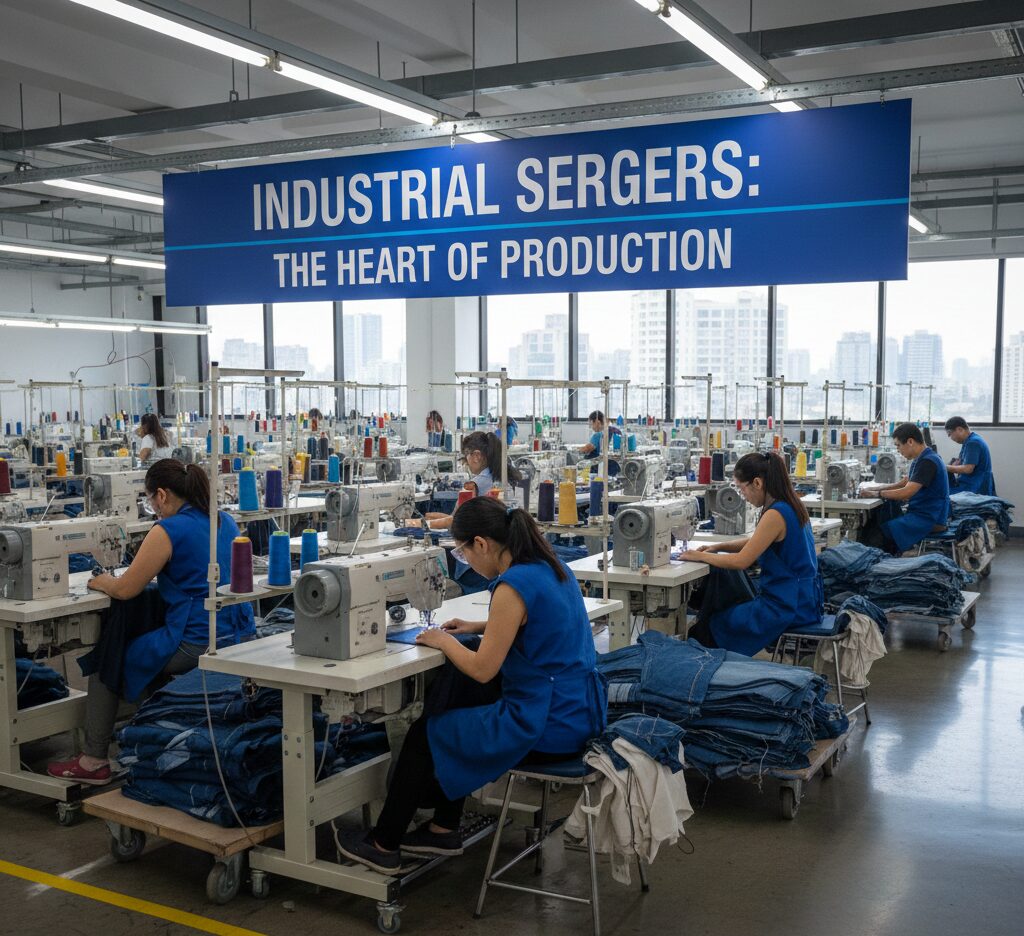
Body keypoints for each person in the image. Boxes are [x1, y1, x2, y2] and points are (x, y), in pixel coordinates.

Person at [336, 497, 606, 873]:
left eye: (462, 553)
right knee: (461, 699)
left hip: (546, 727)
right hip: (580, 712)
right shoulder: (551, 566)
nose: (466, 563)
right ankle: (443, 827)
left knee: (425, 733)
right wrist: (478, 626)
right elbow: (537, 621)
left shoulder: (512, 586)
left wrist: (444, 640)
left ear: (481, 543)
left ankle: (383, 844)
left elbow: (483, 668)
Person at [47, 459, 255, 785]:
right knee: (141, 655)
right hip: (240, 634)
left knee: (109, 659)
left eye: (149, 500)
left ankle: (94, 759)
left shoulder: (166, 530)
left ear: (161, 495)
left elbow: (127, 588)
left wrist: (100, 581)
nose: (151, 508)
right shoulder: (224, 520)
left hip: (196, 641)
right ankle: (150, 732)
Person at [680, 451, 823, 656]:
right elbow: (756, 543)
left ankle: (714, 681)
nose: (743, 497)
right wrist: (718, 547)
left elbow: (742, 561)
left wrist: (700, 556)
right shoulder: (792, 505)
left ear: (757, 483)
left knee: (709, 627)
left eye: (741, 489)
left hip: (786, 607)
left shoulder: (775, 513)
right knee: (725, 608)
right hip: (804, 600)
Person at [861, 423, 951, 554]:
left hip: (929, 519)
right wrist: (876, 489)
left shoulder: (928, 461)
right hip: (925, 514)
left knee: (878, 535)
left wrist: (878, 494)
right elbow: (904, 483)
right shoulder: (921, 458)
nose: (898, 450)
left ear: (910, 441)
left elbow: (906, 493)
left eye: (898, 445)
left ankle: (884, 568)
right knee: (877, 525)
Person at [944, 416, 995, 495]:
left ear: (960, 429)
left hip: (974, 488)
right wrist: (955, 465)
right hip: (971, 484)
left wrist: (944, 467)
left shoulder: (973, 442)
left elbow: (967, 469)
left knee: (940, 496)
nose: (951, 438)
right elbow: (965, 462)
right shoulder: (970, 441)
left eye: (950, 434)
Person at [579, 410, 621, 476]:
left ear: (597, 422)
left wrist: (577, 449)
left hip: (600, 468)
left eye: (591, 424)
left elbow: (587, 449)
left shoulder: (598, 435)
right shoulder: (614, 430)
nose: (591, 427)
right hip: (614, 467)